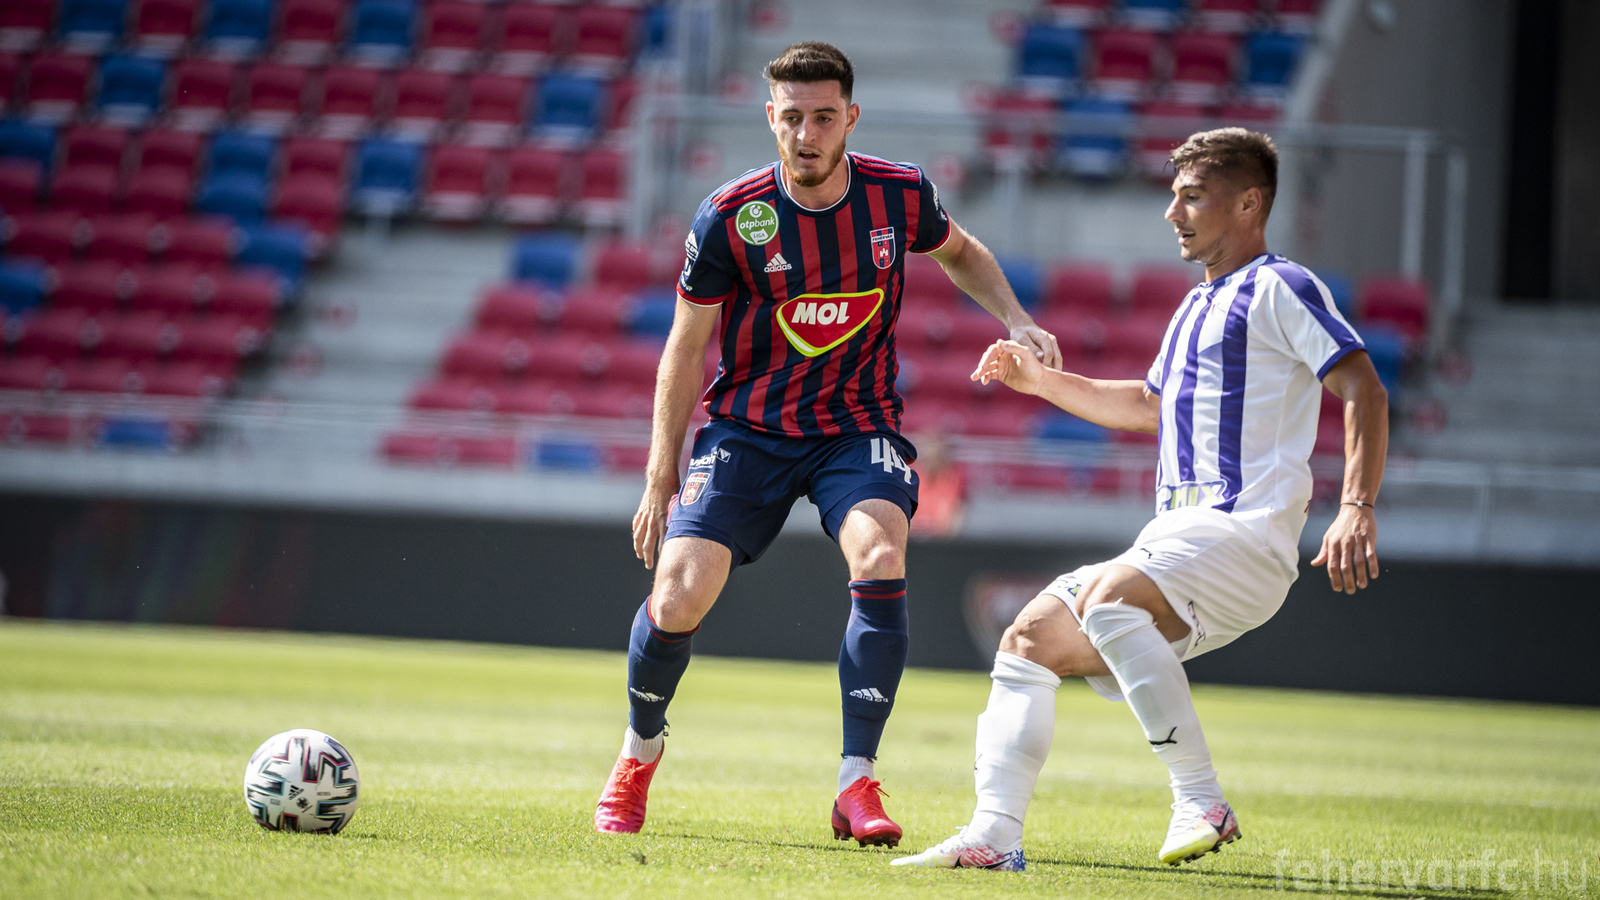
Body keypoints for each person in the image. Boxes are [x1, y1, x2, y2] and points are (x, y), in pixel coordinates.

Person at [593, 41, 1062, 846]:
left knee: (880, 556)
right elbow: (685, 344)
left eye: (821, 117)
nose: (805, 135)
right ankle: (639, 752)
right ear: (769, 118)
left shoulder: (898, 194)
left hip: (856, 426)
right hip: (748, 430)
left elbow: (960, 251)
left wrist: (1015, 318)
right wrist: (658, 474)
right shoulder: (732, 216)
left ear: (850, 117)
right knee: (675, 598)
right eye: (791, 118)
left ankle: (856, 782)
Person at [892, 127, 1389, 872]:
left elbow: (1364, 389)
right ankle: (993, 837)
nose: (1172, 212)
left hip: (1243, 531)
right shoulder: (1195, 305)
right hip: (1180, 532)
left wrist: (1357, 505)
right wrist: (1039, 381)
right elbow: (1147, 406)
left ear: (1249, 203)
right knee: (1028, 638)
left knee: (1109, 597)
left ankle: (1202, 799)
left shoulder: (1282, 287)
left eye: (1192, 197)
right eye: (1173, 195)